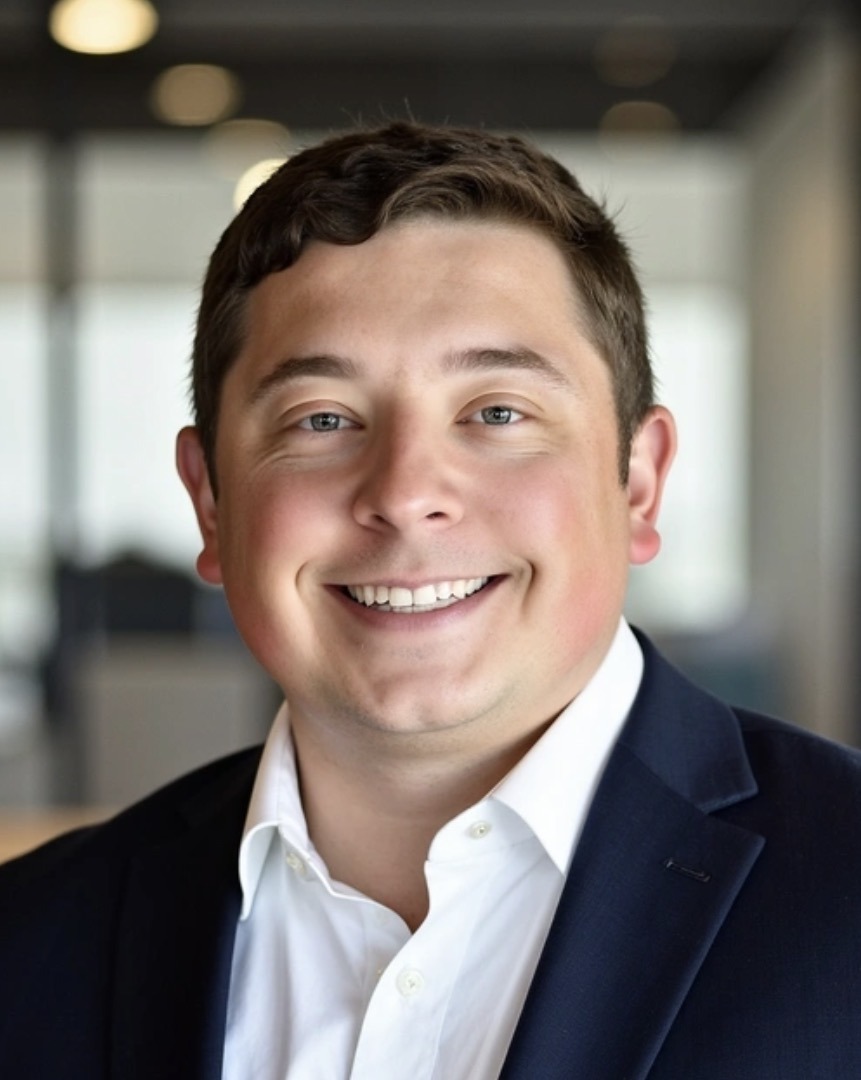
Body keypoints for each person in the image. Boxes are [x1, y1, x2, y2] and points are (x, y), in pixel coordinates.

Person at [2, 121, 861, 1080]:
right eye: (322, 420)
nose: (406, 492)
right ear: (211, 501)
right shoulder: (30, 942)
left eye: (496, 412)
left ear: (637, 482)